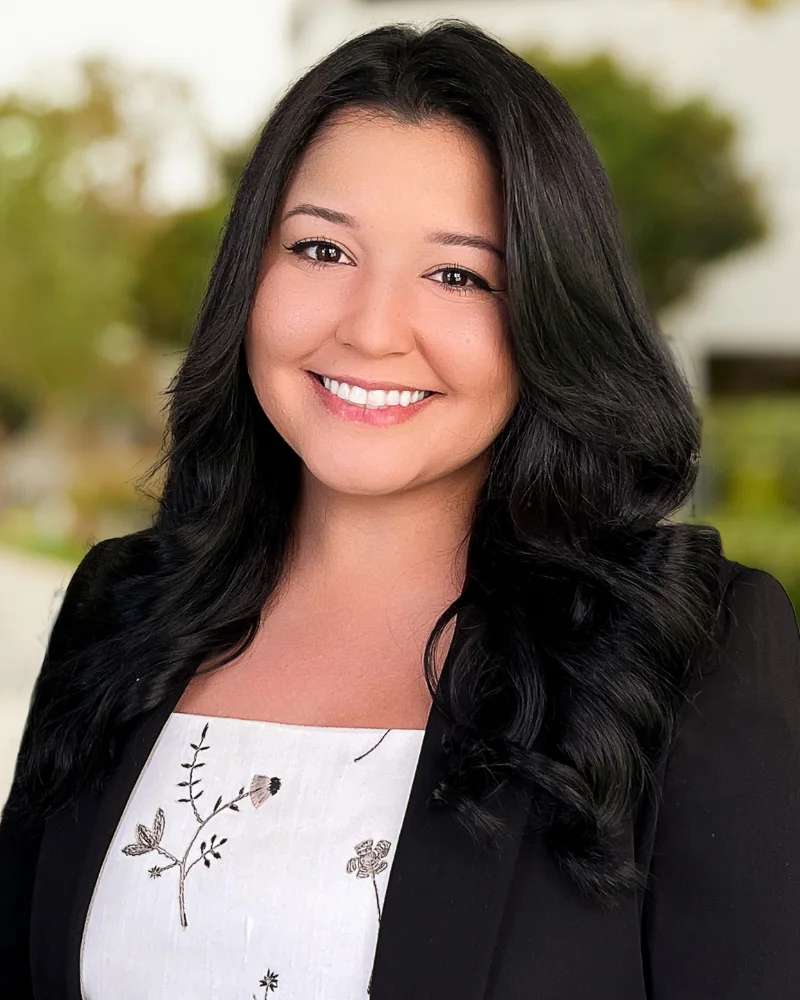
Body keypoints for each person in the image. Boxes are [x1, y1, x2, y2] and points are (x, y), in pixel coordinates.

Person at [2, 19, 798, 1000]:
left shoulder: (695, 649)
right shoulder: (120, 608)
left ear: (547, 314)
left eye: (458, 274)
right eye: (320, 249)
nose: (372, 329)